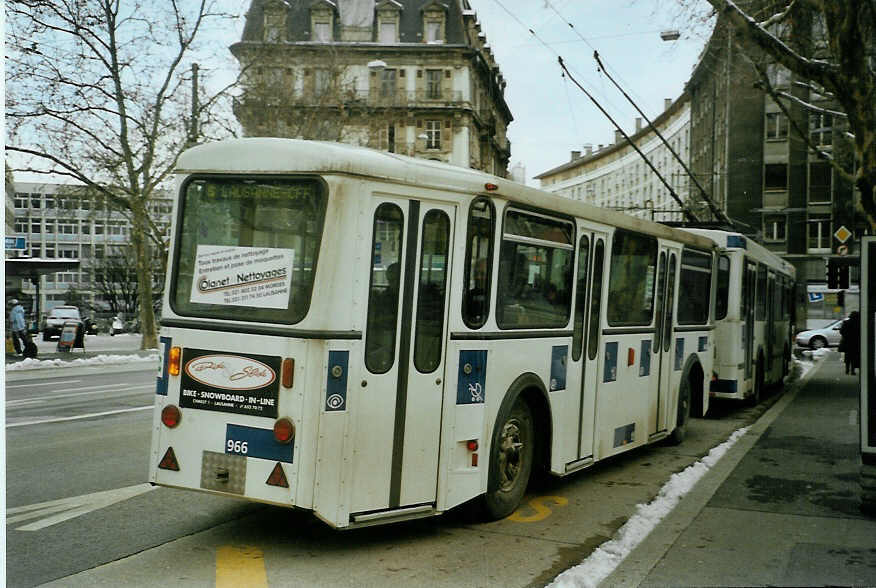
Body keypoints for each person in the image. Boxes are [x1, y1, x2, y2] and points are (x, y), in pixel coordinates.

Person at [840, 311, 861, 375]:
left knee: (847, 357)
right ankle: (852, 371)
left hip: (847, 342)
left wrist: (845, 336)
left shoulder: (846, 322)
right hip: (856, 343)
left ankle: (847, 370)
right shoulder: (859, 323)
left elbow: (841, 331)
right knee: (854, 357)